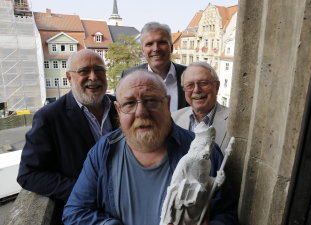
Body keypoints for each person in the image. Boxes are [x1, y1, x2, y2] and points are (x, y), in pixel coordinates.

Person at [62, 69, 238, 225]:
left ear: (167, 104)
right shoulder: (104, 151)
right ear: (118, 109)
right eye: (130, 103)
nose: (141, 112)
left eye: (151, 100)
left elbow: (226, 214)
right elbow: (75, 213)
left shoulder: (203, 151)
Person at [17, 49, 119, 222]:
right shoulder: (49, 117)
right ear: (69, 77)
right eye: (84, 71)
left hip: (127, 203)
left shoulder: (121, 106)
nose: (93, 77)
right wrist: (83, 190)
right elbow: (29, 174)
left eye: (99, 70)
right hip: (87, 212)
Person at [121, 21, 188, 112]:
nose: (156, 49)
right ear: (143, 51)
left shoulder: (188, 75)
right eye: (149, 44)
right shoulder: (128, 77)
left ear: (171, 48)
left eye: (161, 42)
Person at [172, 62, 229, 153]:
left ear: (217, 86)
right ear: (184, 90)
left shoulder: (234, 123)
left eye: (203, 83)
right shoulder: (173, 119)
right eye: (190, 85)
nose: (196, 90)